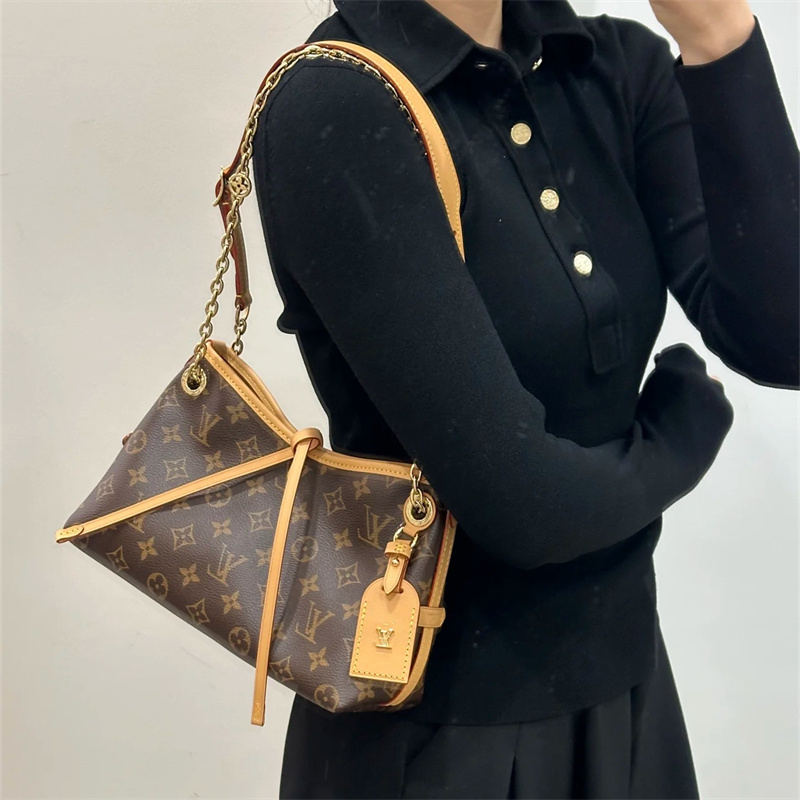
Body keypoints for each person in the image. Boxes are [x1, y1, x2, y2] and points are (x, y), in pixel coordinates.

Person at [250, 0, 799, 797]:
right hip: (438, 736)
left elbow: (782, 338)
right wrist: (683, 432)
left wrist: (719, 38)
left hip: (628, 695)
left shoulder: (609, 68)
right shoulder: (341, 102)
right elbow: (526, 507)